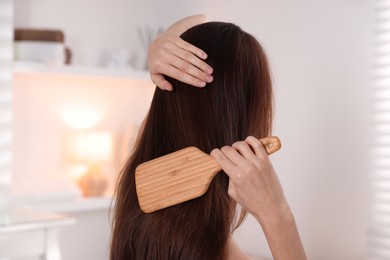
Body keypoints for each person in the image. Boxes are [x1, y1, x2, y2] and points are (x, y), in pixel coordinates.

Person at [110, 15, 308, 260]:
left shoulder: (141, 175)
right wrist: (277, 215)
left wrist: (161, 44)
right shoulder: (219, 252)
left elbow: (200, 19)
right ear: (242, 116)